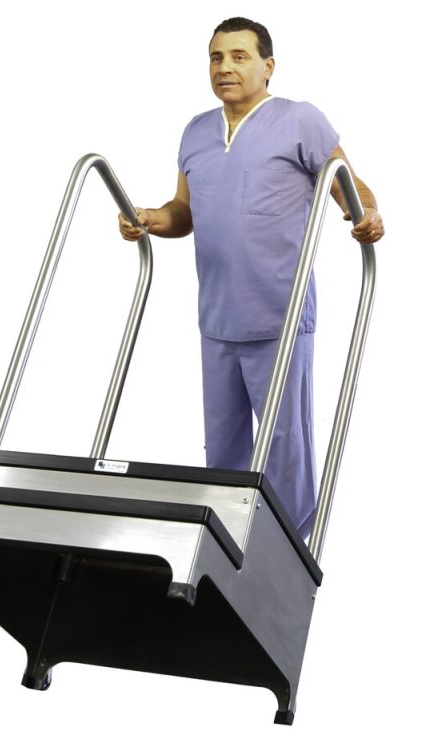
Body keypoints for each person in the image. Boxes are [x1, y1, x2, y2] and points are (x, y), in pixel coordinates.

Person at [118, 17, 384, 540]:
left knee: (285, 453)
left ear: (268, 66)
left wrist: (368, 214)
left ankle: (286, 556)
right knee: (223, 455)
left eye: (239, 56)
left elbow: (350, 185)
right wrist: (148, 218)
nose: (225, 67)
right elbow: (184, 213)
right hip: (218, 320)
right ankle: (222, 553)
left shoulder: (300, 120)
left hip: (278, 318)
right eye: (216, 57)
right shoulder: (196, 131)